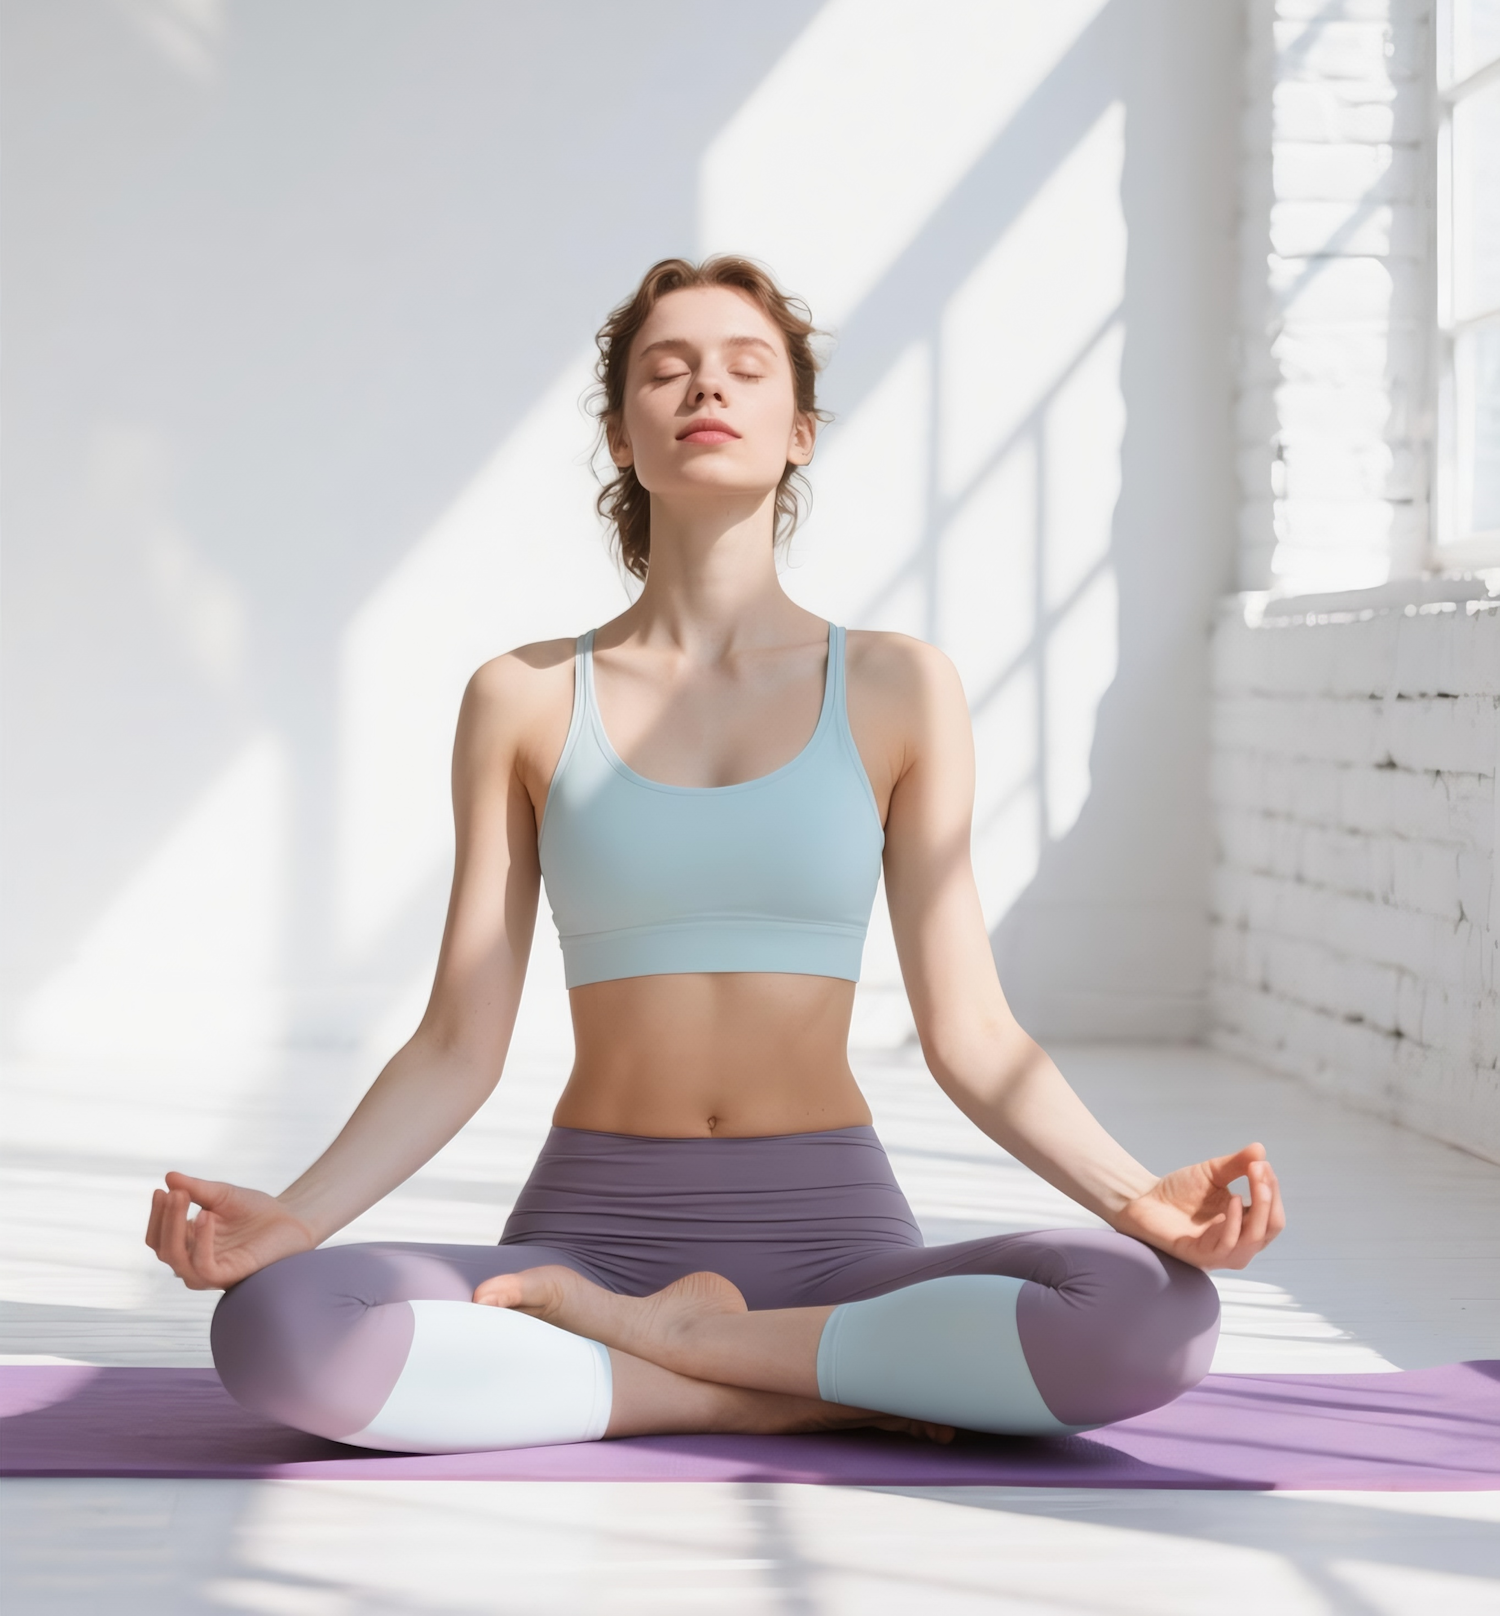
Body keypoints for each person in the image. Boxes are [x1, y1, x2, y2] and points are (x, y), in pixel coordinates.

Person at [146, 255, 1284, 1454]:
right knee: (279, 1327)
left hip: (835, 1237)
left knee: (1156, 1314)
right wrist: (296, 1218)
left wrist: (1134, 1197)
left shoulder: (898, 686)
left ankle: (668, 1349)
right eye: (666, 371)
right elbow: (456, 1042)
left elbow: (974, 1036)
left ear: (798, 433)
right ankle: (810, 1382)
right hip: (589, 1236)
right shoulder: (525, 697)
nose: (707, 389)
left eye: (746, 369)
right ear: (621, 435)